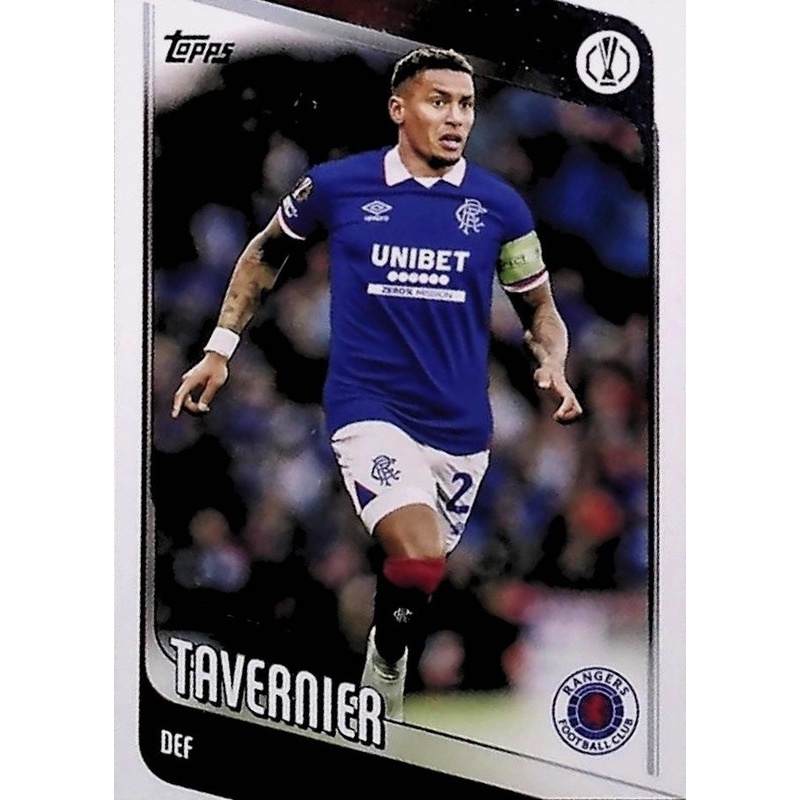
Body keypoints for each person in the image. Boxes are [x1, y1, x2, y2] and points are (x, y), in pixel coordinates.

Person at [172, 46, 582, 722]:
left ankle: (391, 644)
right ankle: (386, 667)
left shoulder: (500, 206)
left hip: (461, 427)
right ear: (398, 108)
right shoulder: (338, 186)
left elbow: (539, 308)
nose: (456, 117)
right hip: (368, 409)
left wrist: (553, 360)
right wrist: (220, 348)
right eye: (437, 101)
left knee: (426, 564)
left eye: (466, 103)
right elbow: (264, 252)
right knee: (416, 548)